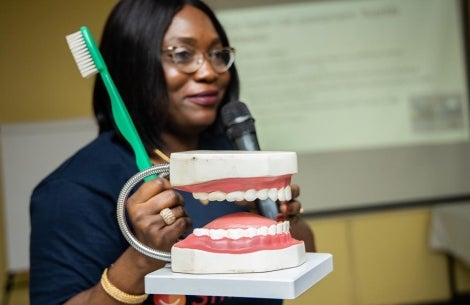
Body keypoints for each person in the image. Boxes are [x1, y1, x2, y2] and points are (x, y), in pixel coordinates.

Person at [29, 0, 315, 304]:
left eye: (218, 54)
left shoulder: (230, 154)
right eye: (182, 54)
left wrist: (283, 221)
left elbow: (306, 254)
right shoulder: (74, 190)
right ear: (132, 66)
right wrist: (141, 258)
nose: (209, 72)